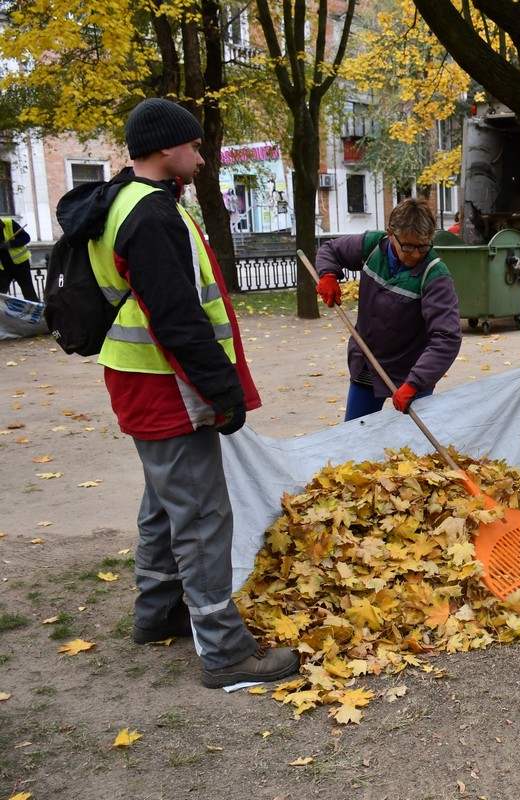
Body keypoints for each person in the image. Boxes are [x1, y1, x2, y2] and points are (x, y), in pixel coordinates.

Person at [56, 97, 299, 689]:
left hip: (141, 381)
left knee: (164, 503)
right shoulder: (153, 216)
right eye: (193, 145)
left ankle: (157, 613)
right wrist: (223, 392)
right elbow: (177, 319)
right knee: (201, 515)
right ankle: (224, 653)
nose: (201, 154)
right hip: (167, 384)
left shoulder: (126, 202)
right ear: (166, 148)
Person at [315, 198, 462, 420]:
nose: (415, 254)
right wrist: (328, 274)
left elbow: (447, 337)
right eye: (408, 246)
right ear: (391, 234)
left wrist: (415, 383)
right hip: (368, 364)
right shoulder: (373, 246)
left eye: (423, 247)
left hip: (410, 374)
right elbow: (331, 250)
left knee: (414, 446)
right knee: (355, 434)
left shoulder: (435, 276)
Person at [0, 215, 38, 301]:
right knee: (1, 294)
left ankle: (36, 312)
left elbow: (26, 238)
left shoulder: (9, 223)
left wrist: (11, 244)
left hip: (20, 264)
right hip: (3, 268)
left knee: (28, 292)